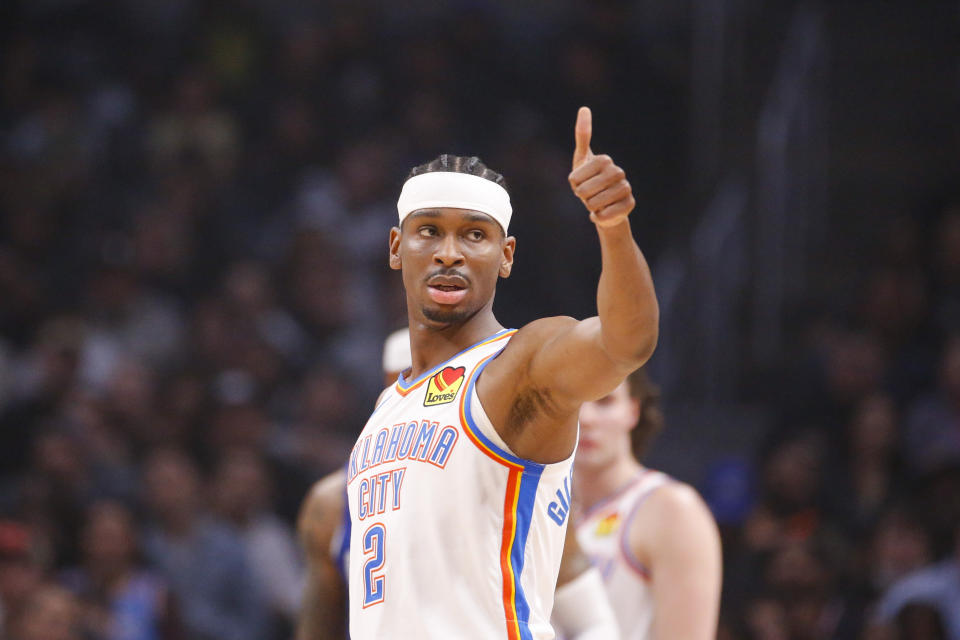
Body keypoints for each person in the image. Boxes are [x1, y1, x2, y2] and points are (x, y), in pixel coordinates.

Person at [345, 106, 658, 639]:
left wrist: (613, 227)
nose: (449, 254)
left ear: (506, 255)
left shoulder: (520, 365)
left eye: (474, 235)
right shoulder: (385, 408)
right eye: (429, 232)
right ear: (397, 248)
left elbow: (624, 342)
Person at [296, 328, 619, 639]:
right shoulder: (330, 506)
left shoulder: (509, 486)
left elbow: (593, 624)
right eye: (414, 377)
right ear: (391, 388)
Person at [572, 368, 722, 639]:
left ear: (633, 410)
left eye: (604, 401)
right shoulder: (539, 508)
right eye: (573, 401)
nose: (586, 417)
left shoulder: (673, 508)